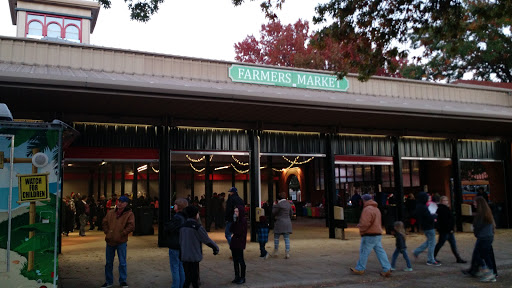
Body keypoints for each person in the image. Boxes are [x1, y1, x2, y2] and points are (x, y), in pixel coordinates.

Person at [350, 194, 392, 277]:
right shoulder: (376, 209)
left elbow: (365, 223)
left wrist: (361, 228)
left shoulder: (367, 210)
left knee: (364, 252)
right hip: (377, 233)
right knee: (380, 252)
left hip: (369, 234)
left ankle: (360, 268)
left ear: (364, 200)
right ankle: (387, 268)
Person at [180, 205, 219, 288]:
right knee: (193, 278)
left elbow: (180, 241)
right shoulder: (197, 227)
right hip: (194, 256)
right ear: (196, 215)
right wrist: (215, 248)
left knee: (188, 277)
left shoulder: (182, 226)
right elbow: (206, 239)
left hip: (184, 255)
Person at [101, 195, 135, 288]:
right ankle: (108, 281)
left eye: (122, 202)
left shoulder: (129, 214)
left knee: (122, 262)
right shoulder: (111, 213)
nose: (119, 203)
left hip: (121, 241)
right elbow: (104, 222)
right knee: (108, 262)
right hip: (110, 240)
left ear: (126, 204)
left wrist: (123, 233)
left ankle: (123, 280)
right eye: (119, 201)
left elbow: (131, 226)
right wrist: (107, 232)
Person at [462, 196, 496, 282]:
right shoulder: (487, 213)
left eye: (475, 203)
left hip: (483, 237)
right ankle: (491, 272)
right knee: (485, 255)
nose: (474, 204)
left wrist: (476, 233)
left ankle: (487, 271)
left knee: (478, 255)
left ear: (479, 204)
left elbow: (477, 226)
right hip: (488, 236)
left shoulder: (480, 215)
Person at [163, 198, 188, 288]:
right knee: (181, 268)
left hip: (175, 245)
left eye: (175, 204)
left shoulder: (177, 217)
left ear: (179, 206)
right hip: (183, 245)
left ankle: (176, 286)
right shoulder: (186, 217)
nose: (174, 206)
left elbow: (168, 228)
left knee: (175, 268)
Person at [434, 196, 466, 263]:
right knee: (441, 244)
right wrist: (450, 228)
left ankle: (458, 258)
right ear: (441, 201)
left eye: (446, 200)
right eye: (444, 200)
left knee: (451, 244)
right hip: (445, 230)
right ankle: (433, 256)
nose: (446, 201)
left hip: (447, 230)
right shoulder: (442, 209)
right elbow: (445, 220)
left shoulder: (444, 208)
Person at [413, 191, 440, 266]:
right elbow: (429, 217)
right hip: (429, 226)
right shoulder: (424, 207)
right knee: (432, 243)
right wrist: (435, 216)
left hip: (425, 226)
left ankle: (417, 251)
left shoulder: (419, 206)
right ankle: (430, 259)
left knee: (429, 242)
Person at [272, 192, 293, 259]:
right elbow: (291, 213)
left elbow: (273, 212)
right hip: (287, 222)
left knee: (276, 237)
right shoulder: (289, 204)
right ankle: (287, 252)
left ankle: (276, 251)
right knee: (286, 238)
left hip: (279, 222)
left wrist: (274, 205)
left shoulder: (278, 205)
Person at [230, 205, 247, 284]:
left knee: (240, 260)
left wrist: (235, 234)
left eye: (237, 211)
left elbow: (240, 232)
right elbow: (231, 229)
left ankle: (242, 277)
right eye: (234, 211)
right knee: (235, 260)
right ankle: (237, 276)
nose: (235, 213)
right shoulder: (235, 221)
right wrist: (234, 221)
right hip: (234, 242)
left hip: (239, 242)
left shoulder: (243, 221)